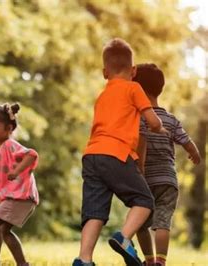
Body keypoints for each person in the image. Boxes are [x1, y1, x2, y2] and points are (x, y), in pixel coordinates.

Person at [72, 38, 168, 266]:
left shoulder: (102, 96)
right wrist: (161, 128)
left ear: (105, 72)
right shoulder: (133, 88)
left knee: (94, 212)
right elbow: (152, 122)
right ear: (133, 71)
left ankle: (84, 259)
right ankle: (124, 238)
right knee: (145, 200)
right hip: (116, 153)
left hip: (92, 155)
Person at [133, 64, 201, 266]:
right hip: (168, 180)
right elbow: (186, 141)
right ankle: (161, 262)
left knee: (140, 223)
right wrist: (194, 153)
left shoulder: (138, 119)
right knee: (163, 222)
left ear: (139, 91)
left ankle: (149, 260)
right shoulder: (170, 119)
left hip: (144, 180)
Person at [0, 103, 39, 266]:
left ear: (9, 128)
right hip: (21, 198)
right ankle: (22, 263)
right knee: (4, 230)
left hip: (21, 196)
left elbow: (31, 155)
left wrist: (16, 171)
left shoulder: (10, 145)